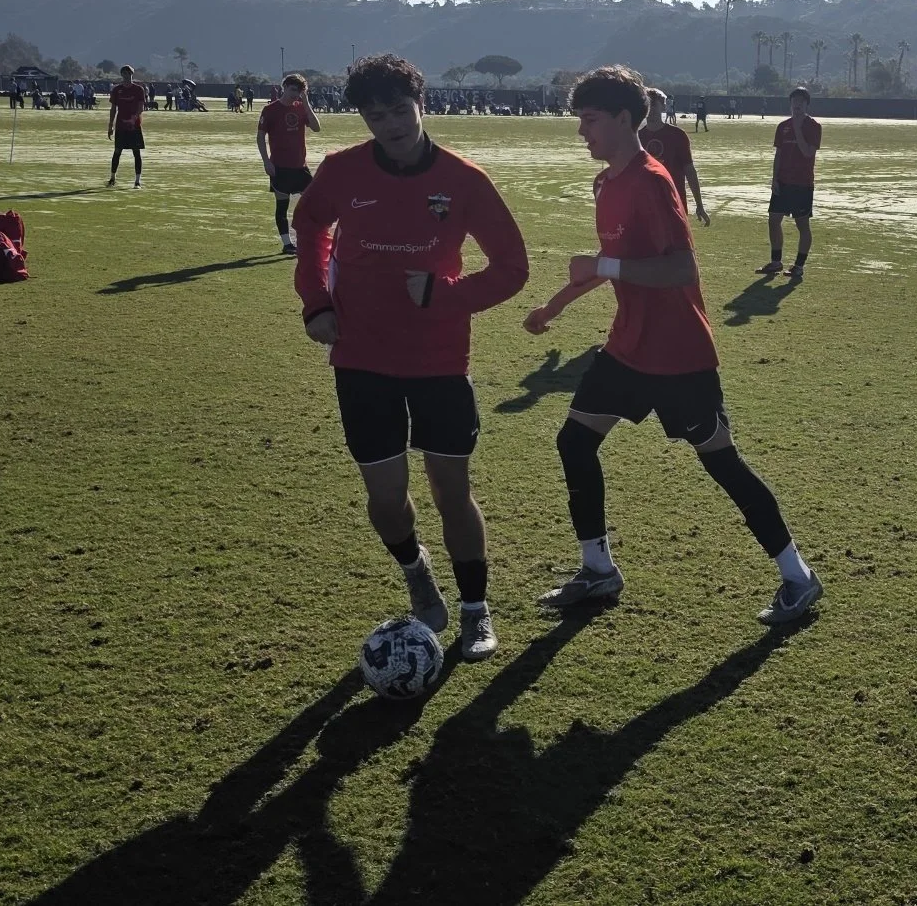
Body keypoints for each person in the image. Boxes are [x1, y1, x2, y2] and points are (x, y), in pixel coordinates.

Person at [523, 65, 823, 625]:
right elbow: (607, 262)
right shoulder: (608, 182)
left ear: (621, 118)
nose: (581, 132)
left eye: (589, 121)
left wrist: (604, 265)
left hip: (679, 356)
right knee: (574, 442)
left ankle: (798, 578)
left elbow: (680, 268)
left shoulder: (651, 180)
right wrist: (553, 307)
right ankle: (599, 571)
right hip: (627, 349)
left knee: (722, 464)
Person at [295, 55, 528, 663]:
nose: (391, 124)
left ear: (421, 104)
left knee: (452, 489)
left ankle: (476, 612)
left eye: (400, 110)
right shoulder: (342, 171)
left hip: (439, 359)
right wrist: (316, 301)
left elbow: (512, 269)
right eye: (376, 115)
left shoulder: (465, 180)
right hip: (361, 356)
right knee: (387, 497)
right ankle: (416, 570)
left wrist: (449, 295)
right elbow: (311, 224)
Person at [257, 74, 323, 253]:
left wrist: (306, 102)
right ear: (284, 87)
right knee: (282, 205)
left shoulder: (302, 107)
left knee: (312, 203)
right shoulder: (270, 110)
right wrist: (266, 162)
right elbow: (260, 137)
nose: (296, 94)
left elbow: (317, 128)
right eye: (293, 89)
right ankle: (287, 244)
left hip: (300, 166)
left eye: (300, 91)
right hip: (279, 166)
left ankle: (310, 239)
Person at [761, 86, 819, 280]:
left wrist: (797, 128)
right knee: (773, 220)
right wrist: (774, 178)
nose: (797, 105)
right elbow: (778, 154)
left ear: (807, 104)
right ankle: (776, 261)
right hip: (783, 182)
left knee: (802, 224)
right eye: (794, 101)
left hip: (802, 184)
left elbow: (808, 152)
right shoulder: (782, 126)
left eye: (801, 101)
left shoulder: (813, 126)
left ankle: (799, 265)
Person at [640, 88, 707, 225]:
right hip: (645, 206)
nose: (651, 109)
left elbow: (689, 170)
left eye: (654, 105)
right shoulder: (637, 137)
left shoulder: (677, 136)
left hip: (674, 204)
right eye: (647, 104)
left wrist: (699, 204)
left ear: (663, 106)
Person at [107, 66, 148, 187]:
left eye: (128, 73)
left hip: (134, 126)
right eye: (124, 73)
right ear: (121, 75)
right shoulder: (116, 90)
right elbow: (113, 109)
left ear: (132, 74)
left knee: (136, 153)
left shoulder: (138, 89)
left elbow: (141, 107)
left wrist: (133, 119)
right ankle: (112, 178)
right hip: (120, 126)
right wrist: (110, 126)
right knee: (117, 152)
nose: (126, 75)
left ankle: (137, 181)